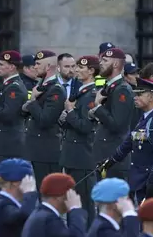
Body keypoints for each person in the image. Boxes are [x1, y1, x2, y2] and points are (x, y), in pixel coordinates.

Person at [98, 78, 153, 203]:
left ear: (150, 97)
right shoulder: (144, 118)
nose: (135, 97)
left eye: (139, 94)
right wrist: (110, 161)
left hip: (150, 180)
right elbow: (129, 143)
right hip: (139, 179)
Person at [59, 55, 99, 222]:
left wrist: (70, 113)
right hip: (73, 155)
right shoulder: (81, 92)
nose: (76, 70)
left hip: (82, 156)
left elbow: (86, 127)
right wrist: (65, 118)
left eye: (81, 68)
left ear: (91, 71)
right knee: (73, 202)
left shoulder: (91, 95)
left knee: (83, 205)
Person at [21, 50, 66, 187]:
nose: (35, 67)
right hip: (36, 149)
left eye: (38, 64)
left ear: (48, 67)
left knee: (48, 191)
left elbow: (45, 120)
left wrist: (33, 100)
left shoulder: (55, 89)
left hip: (47, 151)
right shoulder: (41, 86)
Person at [90, 47, 136, 180]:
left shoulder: (122, 89)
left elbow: (118, 125)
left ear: (115, 64)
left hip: (114, 158)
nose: (101, 63)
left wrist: (98, 107)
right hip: (104, 155)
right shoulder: (109, 87)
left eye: (105, 60)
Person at [0, 50, 28, 165]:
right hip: (3, 143)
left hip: (8, 143)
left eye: (1, 65)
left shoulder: (14, 87)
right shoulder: (7, 85)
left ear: (12, 67)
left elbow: (7, 115)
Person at [0, 158, 38, 237]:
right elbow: (23, 216)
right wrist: (29, 193)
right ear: (16, 183)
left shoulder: (4, 202)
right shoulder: (3, 206)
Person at [22, 173, 87, 237]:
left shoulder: (38, 214)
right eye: (70, 195)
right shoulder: (50, 220)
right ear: (59, 197)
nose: (74, 198)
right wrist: (75, 209)